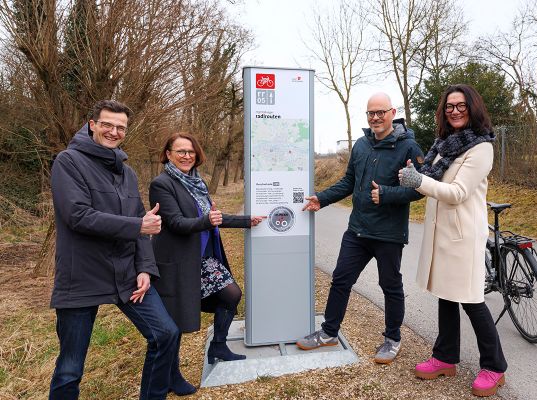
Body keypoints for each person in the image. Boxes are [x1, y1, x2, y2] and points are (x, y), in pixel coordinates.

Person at [48, 100, 179, 400]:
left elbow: (140, 219)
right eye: (107, 124)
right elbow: (77, 216)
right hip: (81, 274)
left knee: (165, 334)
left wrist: (145, 267)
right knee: (70, 367)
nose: (113, 131)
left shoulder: (127, 172)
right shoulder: (68, 162)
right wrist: (137, 227)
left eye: (120, 127)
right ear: (92, 124)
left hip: (126, 273)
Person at [296, 92, 424, 364]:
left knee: (390, 286)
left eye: (380, 112)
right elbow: (349, 181)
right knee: (341, 279)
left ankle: (392, 339)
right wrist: (323, 197)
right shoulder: (362, 145)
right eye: (370, 113)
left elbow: (420, 189)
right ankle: (329, 332)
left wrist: (387, 194)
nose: (375, 117)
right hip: (358, 230)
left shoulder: (409, 147)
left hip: (388, 233)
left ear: (392, 112)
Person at [398, 84, 507, 397]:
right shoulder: (444, 143)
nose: (455, 111)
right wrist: (415, 176)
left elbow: (458, 193)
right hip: (441, 232)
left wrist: (420, 181)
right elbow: (431, 180)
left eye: (461, 105)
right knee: (446, 296)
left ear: (472, 108)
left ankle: (495, 366)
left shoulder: (481, 147)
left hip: (463, 235)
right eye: (449, 106)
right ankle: (445, 358)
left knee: (472, 299)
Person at [149, 132, 265, 395]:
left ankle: (219, 346)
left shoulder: (196, 182)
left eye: (190, 152)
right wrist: (206, 221)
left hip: (201, 258)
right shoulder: (161, 184)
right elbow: (176, 223)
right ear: (168, 154)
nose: (186, 156)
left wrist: (246, 220)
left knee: (231, 294)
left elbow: (213, 216)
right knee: (173, 322)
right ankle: (171, 375)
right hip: (176, 262)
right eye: (180, 151)